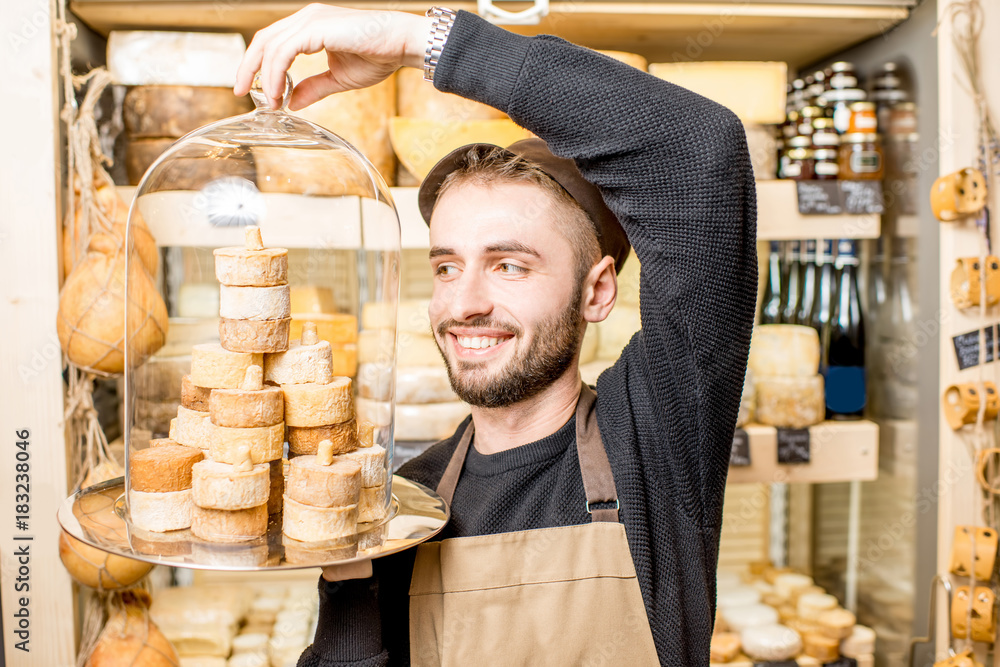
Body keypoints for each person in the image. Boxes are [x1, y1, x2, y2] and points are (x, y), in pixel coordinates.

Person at [236, 5, 757, 664]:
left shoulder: (656, 439)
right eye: (447, 265)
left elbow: (698, 148)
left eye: (509, 264)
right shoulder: (405, 503)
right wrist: (348, 573)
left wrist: (413, 41)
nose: (465, 302)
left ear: (597, 291)